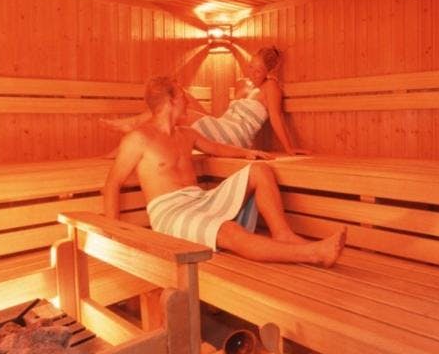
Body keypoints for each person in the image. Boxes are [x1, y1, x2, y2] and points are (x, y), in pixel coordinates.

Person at [102, 76, 345, 267]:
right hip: (171, 212)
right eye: (183, 95)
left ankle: (283, 234)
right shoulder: (139, 139)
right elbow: (112, 184)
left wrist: (248, 153)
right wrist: (111, 234)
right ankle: (313, 254)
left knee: (259, 170)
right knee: (229, 231)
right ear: (171, 101)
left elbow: (216, 147)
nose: (188, 100)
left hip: (199, 199)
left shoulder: (186, 134)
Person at [103, 46, 308, 155]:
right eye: (251, 67)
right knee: (181, 96)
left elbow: (276, 118)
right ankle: (122, 145)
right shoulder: (243, 84)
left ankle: (131, 127)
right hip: (221, 126)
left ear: (269, 71)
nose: (252, 73)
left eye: (258, 70)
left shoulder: (271, 87)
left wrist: (289, 148)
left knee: (177, 111)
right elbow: (228, 116)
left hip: (235, 139)